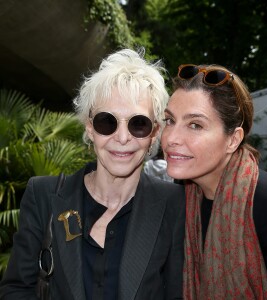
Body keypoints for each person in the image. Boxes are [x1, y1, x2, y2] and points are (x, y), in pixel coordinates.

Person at [0, 49, 185, 300]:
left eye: (138, 123)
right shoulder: (43, 195)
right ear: (89, 127)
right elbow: (17, 289)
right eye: (107, 122)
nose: (122, 137)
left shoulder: (175, 203)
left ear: (154, 132)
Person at [161, 63, 267, 299]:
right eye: (169, 121)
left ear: (233, 140)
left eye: (195, 125)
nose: (171, 138)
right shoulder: (181, 197)